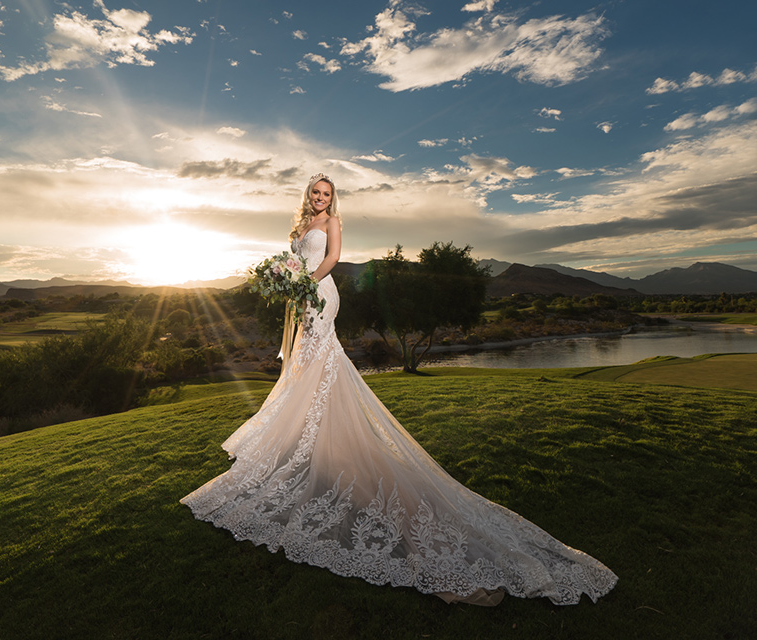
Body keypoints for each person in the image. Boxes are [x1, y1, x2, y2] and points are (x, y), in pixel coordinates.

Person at [181, 173, 617, 605]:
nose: (319, 199)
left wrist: (303, 283)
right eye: (315, 193)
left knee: (317, 366)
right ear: (307, 195)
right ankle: (310, 442)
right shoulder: (297, 228)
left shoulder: (333, 224)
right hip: (302, 299)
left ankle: (316, 441)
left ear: (333, 199)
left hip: (320, 295)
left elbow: (332, 261)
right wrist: (290, 283)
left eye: (326, 194)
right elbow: (295, 260)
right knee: (306, 372)